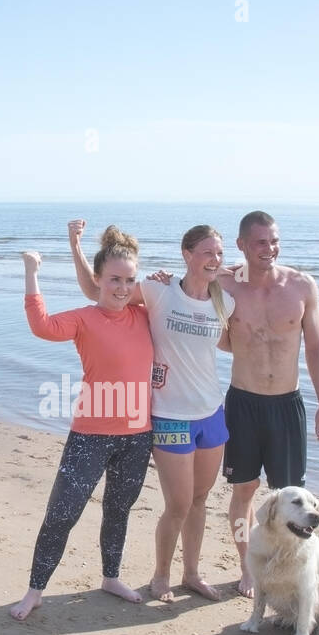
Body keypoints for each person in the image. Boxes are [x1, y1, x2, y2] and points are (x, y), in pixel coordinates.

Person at [69, 219, 234, 602]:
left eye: (220, 253)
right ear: (187, 254)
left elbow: (231, 342)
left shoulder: (225, 299)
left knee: (199, 500)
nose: (215, 259)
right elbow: (99, 291)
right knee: (177, 504)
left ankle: (191, 573)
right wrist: (75, 246)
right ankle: (161, 576)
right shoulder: (159, 290)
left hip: (211, 412)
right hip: (169, 414)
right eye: (207, 252)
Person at [10, 230, 154, 621]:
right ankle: (34, 591)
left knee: (119, 509)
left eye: (129, 280)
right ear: (98, 280)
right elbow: (41, 326)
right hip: (90, 436)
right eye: (114, 280)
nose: (122, 288)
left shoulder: (145, 315)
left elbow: (187, 293)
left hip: (138, 436)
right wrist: (31, 271)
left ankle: (111, 577)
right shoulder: (84, 319)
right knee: (62, 513)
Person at [217, 211, 319, 597]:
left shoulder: (301, 286)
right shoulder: (224, 284)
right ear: (241, 246)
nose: (269, 249)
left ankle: (290, 569)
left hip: (286, 405)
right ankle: (248, 567)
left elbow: (315, 348)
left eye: (274, 241)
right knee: (244, 491)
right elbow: (179, 294)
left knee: (290, 496)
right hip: (243, 403)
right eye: (260, 242)